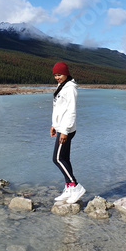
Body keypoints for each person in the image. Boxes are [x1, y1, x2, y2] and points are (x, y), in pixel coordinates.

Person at [50, 61, 86, 204]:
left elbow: (71, 111)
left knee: (57, 159)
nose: (57, 77)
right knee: (64, 158)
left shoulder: (70, 88)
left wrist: (64, 131)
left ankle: (75, 186)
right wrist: (54, 125)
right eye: (55, 75)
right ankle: (69, 188)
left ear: (66, 73)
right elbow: (59, 109)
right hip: (61, 127)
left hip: (66, 129)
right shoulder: (61, 86)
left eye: (59, 74)